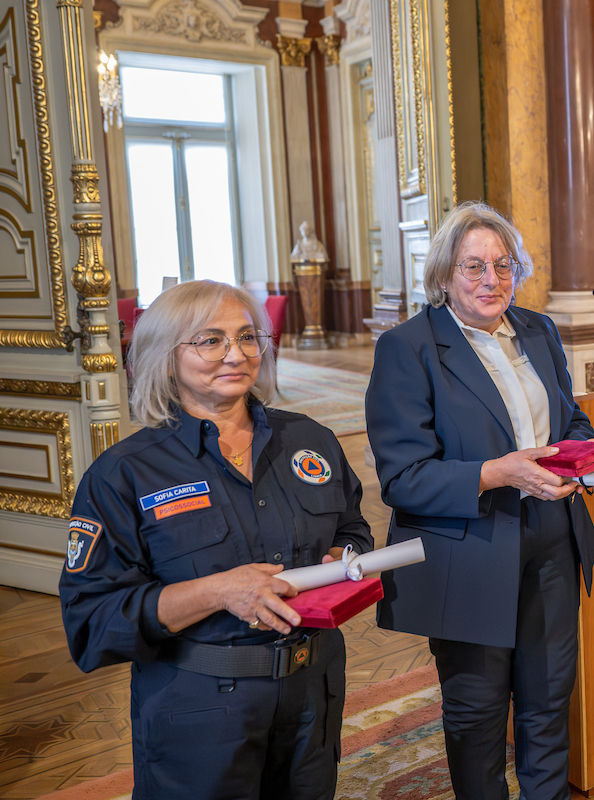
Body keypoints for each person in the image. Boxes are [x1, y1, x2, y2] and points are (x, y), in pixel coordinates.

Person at [59, 280, 371, 800]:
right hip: (200, 712)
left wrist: (342, 558)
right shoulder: (124, 474)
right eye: (210, 340)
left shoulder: (309, 439)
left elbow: (351, 527)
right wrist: (218, 591)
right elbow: (92, 623)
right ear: (166, 357)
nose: (236, 354)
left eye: (247, 337)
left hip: (312, 694)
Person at [365, 201, 594, 800]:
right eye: (473, 266)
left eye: (503, 265)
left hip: (551, 537)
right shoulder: (408, 348)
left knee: (549, 696)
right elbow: (403, 478)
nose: (490, 280)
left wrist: (578, 457)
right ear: (444, 274)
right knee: (478, 712)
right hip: (468, 550)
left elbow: (570, 418)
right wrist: (497, 473)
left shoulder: (538, 330)